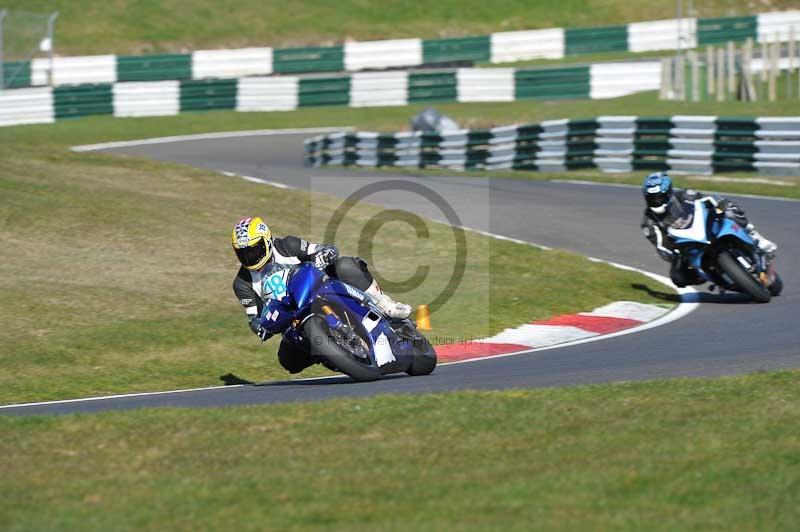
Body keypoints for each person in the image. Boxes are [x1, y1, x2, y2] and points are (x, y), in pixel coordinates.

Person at [231, 216, 412, 373]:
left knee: (345, 265)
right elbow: (254, 318)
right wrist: (261, 327)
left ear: (267, 240)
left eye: (255, 250)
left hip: (320, 290)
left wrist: (324, 254)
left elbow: (321, 249)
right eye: (243, 254)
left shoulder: (286, 246)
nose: (250, 257)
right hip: (292, 319)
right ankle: (330, 353)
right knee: (287, 360)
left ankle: (385, 305)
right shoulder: (242, 283)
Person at [640, 172, 777, 288]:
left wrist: (720, 205)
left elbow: (707, 200)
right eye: (652, 199)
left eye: (659, 197)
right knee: (678, 278)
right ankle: (712, 276)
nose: (656, 202)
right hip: (685, 247)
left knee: (730, 209)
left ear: (669, 192)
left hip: (705, 227)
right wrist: (672, 254)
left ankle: (757, 238)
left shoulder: (685, 195)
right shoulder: (649, 223)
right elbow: (660, 246)